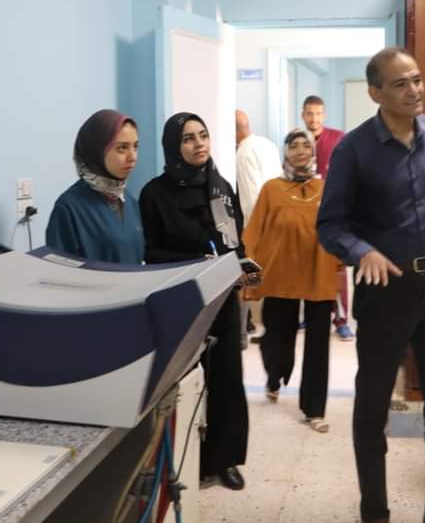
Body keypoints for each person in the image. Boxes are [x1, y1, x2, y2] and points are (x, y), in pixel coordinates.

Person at [317, 47, 425, 523]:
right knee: (373, 406)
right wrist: (362, 250)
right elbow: (330, 225)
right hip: (386, 290)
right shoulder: (354, 149)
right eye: (401, 84)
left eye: (417, 79)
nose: (414, 91)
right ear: (375, 93)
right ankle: (375, 514)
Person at [139, 112, 250, 491]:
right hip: (182, 303)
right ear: (174, 146)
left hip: (222, 298)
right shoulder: (154, 195)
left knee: (227, 380)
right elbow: (150, 253)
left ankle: (224, 460)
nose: (199, 144)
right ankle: (186, 461)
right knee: (185, 383)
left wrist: (242, 265)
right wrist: (193, 263)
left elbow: (235, 242)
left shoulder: (221, 188)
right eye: (188, 139)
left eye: (203, 135)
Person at [243, 129, 341, 433]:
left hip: (318, 273)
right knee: (277, 337)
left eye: (305, 146)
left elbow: (338, 226)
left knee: (318, 344)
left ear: (313, 152)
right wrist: (249, 269)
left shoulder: (326, 189)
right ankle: (274, 375)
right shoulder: (272, 189)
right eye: (294, 146)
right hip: (280, 273)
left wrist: (342, 258)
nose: (300, 151)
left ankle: (314, 408)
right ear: (285, 153)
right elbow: (254, 231)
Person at [45, 109, 144, 264]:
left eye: (135, 147)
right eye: (122, 148)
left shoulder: (130, 201)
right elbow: (59, 272)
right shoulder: (69, 208)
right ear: (97, 150)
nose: (133, 157)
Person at [302, 95, 354, 342]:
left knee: (337, 269)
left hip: (334, 214)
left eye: (318, 113)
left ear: (324, 115)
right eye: (309, 113)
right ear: (303, 115)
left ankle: (341, 320)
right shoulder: (298, 140)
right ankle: (310, 314)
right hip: (305, 214)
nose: (314, 118)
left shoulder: (338, 138)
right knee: (307, 266)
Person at [235, 109, 282, 344]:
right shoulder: (268, 144)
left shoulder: (243, 152)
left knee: (247, 278)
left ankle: (241, 334)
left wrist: (252, 235)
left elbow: (251, 196)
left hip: (259, 226)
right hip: (279, 220)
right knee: (272, 281)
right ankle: (272, 330)